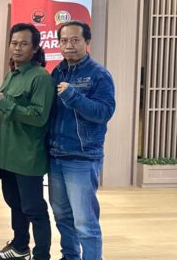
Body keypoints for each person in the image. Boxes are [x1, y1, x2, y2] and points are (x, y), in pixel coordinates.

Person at [48, 21, 115, 260]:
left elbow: (104, 112)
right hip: (55, 155)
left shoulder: (99, 74)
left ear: (87, 42)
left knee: (85, 222)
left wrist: (72, 95)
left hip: (82, 157)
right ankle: (70, 256)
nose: (69, 45)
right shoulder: (58, 71)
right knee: (62, 216)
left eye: (75, 40)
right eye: (64, 40)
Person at [0, 23, 54, 260]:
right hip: (7, 156)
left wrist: (4, 104)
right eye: (14, 43)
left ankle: (41, 255)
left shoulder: (41, 78)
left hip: (27, 157)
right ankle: (19, 246)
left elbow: (38, 117)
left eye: (24, 44)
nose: (17, 48)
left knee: (34, 209)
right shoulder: (12, 74)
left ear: (35, 48)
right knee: (15, 203)